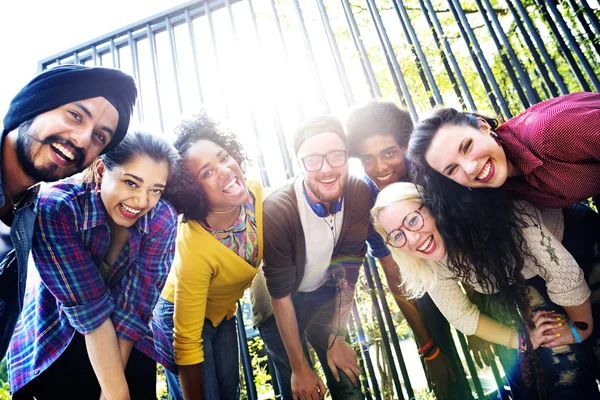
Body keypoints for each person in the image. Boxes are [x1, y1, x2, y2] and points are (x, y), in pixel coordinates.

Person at [371, 180, 598, 399]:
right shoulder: (429, 261)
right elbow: (461, 315)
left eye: (413, 220)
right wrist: (520, 340)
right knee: (563, 364)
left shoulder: (483, 213)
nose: (412, 239)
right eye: (397, 235)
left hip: (574, 241)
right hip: (527, 276)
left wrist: (581, 328)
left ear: (431, 206)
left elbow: (563, 273)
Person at [7, 131, 178, 399]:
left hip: (126, 339)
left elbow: (132, 312)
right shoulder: (57, 208)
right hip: (57, 333)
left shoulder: (161, 219)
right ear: (100, 170)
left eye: (155, 190)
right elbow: (91, 314)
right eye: (131, 183)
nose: (143, 201)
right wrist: (116, 393)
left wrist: (113, 393)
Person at [0, 64, 137, 359]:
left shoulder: (26, 213)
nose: (83, 139)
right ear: (33, 106)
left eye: (100, 137)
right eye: (75, 115)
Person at [346, 101, 474, 400]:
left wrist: (481, 305)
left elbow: (474, 237)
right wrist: (429, 350)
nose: (379, 167)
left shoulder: (432, 169)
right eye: (367, 159)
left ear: (405, 145)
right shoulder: (370, 202)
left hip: (475, 264)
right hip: (427, 280)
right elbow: (397, 278)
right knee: (446, 374)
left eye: (389, 153)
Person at [251, 115, 369, 400]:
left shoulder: (358, 191)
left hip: (321, 293)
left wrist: (337, 337)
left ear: (347, 156)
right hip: (276, 301)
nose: (327, 169)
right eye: (313, 160)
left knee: (347, 380)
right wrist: (300, 368)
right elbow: (280, 297)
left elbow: (349, 268)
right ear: (299, 165)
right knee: (300, 389)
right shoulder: (276, 209)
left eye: (336, 156)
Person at [152, 112, 264, 400]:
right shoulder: (195, 243)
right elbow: (187, 341)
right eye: (207, 172)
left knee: (230, 393)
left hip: (221, 312)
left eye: (223, 157)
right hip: (179, 316)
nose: (225, 170)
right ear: (192, 191)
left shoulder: (255, 193)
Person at [407, 92, 600, 209]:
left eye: (467, 147)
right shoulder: (502, 189)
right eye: (452, 169)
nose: (470, 168)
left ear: (483, 126)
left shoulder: (548, 131)